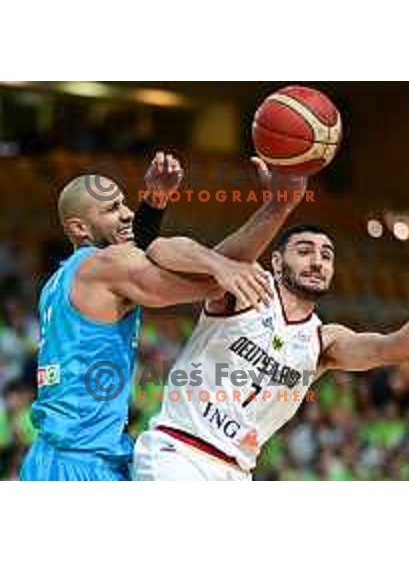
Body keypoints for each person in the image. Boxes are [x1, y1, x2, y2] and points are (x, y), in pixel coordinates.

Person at [133, 163, 409, 480]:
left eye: (326, 255)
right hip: (178, 452)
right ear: (277, 262)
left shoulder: (324, 341)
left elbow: (394, 348)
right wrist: (219, 264)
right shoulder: (246, 285)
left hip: (236, 472)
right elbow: (158, 249)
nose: (317, 261)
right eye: (304, 251)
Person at [20, 152, 275, 481]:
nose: (126, 213)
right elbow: (212, 283)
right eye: (112, 209)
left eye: (125, 204)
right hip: (80, 463)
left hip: (59, 455)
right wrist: (275, 209)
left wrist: (155, 204)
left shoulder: (62, 278)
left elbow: (138, 254)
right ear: (79, 227)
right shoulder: (102, 266)